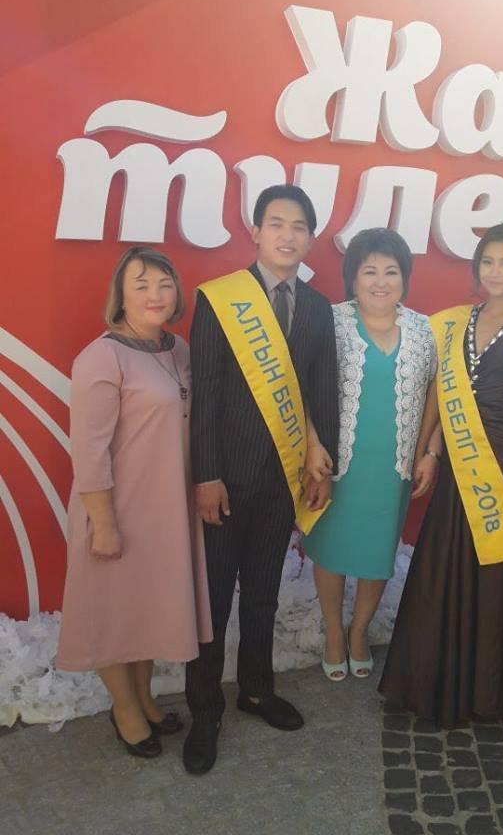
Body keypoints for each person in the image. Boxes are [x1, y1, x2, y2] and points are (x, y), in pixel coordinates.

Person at [183, 184, 339, 776]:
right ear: (254, 231)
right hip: (225, 481)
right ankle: (205, 711)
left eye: (298, 226)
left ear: (311, 238)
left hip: (284, 481)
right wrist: (206, 475)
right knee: (213, 600)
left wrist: (323, 463)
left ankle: (255, 690)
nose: (287, 235)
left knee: (264, 593)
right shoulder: (221, 299)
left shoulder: (319, 308)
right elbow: (205, 394)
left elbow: (321, 391)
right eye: (276, 223)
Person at [379, 221, 503, 729]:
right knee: (442, 562)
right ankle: (429, 681)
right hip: (457, 457)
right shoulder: (456, 322)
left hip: (502, 459)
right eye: (487, 262)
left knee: (492, 570)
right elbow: (440, 391)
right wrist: (429, 451)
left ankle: (483, 691)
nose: (495, 272)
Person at [57, 247, 212, 758]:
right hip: (117, 510)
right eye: (141, 284)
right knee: (113, 615)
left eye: (164, 284)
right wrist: (103, 524)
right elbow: (90, 451)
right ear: (120, 295)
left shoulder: (179, 349)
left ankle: (145, 698)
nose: (155, 295)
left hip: (166, 512)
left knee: (145, 610)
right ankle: (124, 709)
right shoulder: (101, 357)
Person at [302, 229, 437, 681]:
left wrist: (430, 452)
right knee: (331, 549)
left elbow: (437, 396)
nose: (381, 282)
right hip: (337, 465)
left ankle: (358, 632)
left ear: (405, 277)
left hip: (393, 466)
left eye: (391, 272)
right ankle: (333, 632)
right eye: (369, 271)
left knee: (378, 552)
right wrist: (312, 445)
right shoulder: (330, 322)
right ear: (353, 278)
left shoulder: (423, 330)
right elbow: (303, 386)